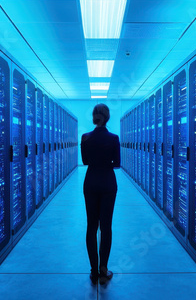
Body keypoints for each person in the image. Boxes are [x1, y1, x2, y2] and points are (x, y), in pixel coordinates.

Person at [81, 103, 120, 285]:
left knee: (91, 226)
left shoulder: (85, 137)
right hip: (108, 183)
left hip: (90, 183)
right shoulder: (113, 138)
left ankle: (93, 271)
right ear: (107, 117)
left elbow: (85, 161)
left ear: (94, 117)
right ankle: (104, 269)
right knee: (106, 226)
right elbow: (117, 163)